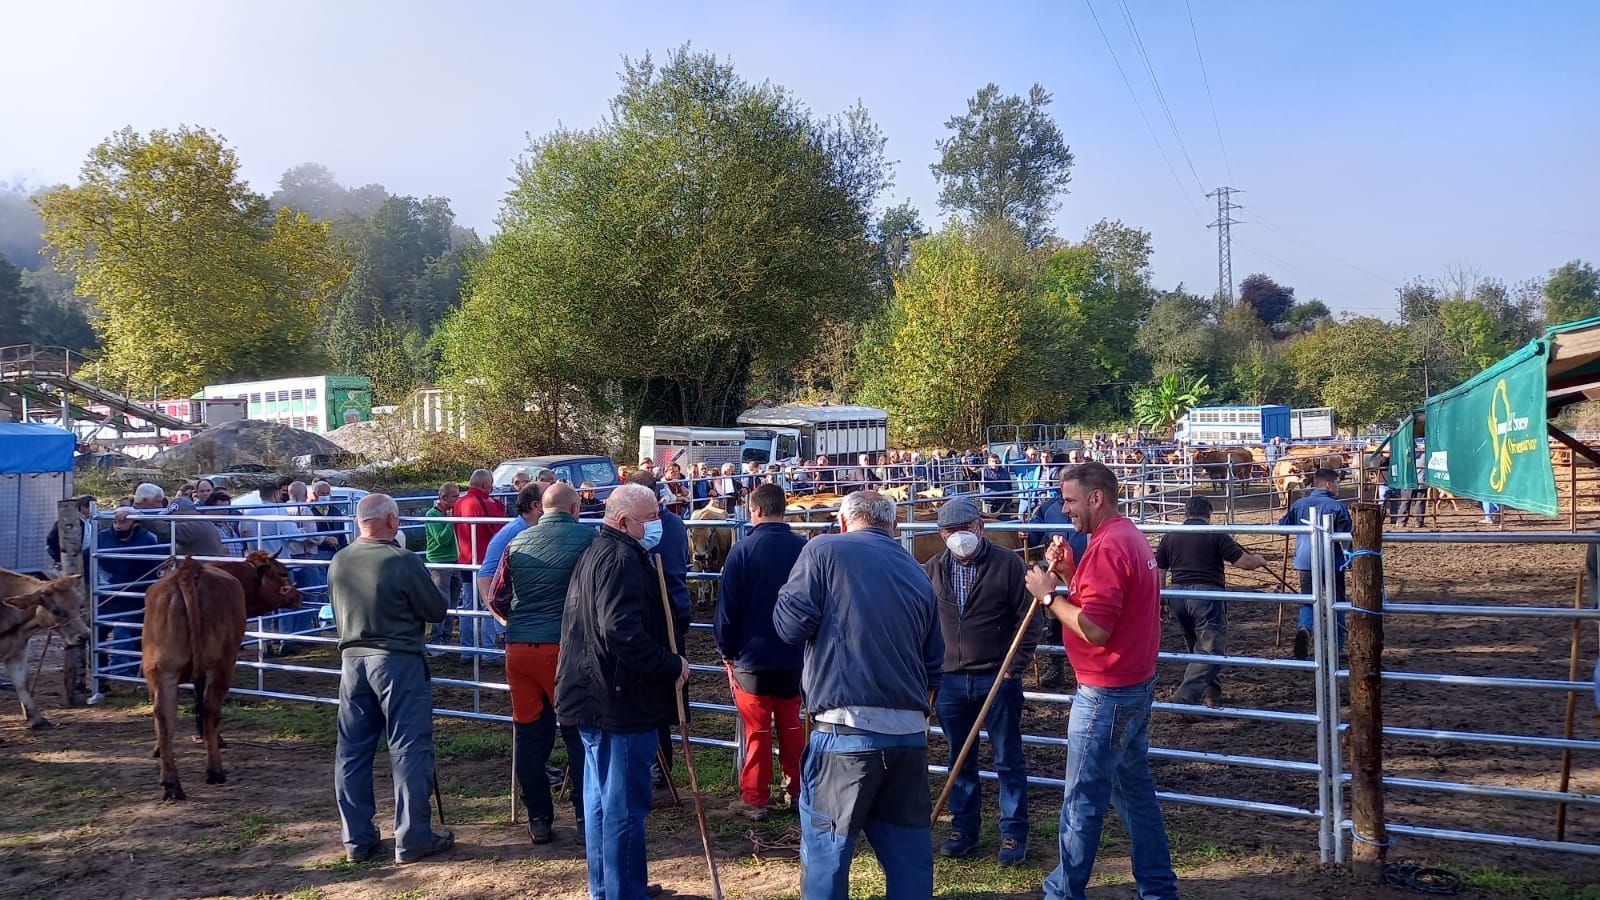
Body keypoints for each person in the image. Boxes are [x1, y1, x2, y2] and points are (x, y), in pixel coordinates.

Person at [773, 490, 943, 900]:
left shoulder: (823, 549)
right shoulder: (918, 571)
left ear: (844, 522)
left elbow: (790, 626)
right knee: (909, 857)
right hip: (907, 737)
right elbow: (935, 664)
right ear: (895, 526)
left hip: (845, 734)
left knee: (828, 858)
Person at [1024, 462, 1178, 900]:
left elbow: (1095, 629)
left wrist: (1048, 595)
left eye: (1070, 500)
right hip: (1133, 683)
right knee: (1133, 793)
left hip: (1106, 690)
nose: (1064, 509)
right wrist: (1072, 573)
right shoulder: (1123, 537)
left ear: (1096, 498)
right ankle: (1157, 886)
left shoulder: (1109, 547)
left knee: (1082, 800)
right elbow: (1104, 602)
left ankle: (1063, 891)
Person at [555, 483, 688, 900]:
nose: (657, 524)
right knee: (624, 806)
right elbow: (621, 631)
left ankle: (610, 885)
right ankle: (623, 891)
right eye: (650, 517)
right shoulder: (621, 560)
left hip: (593, 693)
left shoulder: (599, 553)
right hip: (618, 698)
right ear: (623, 520)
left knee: (601, 803)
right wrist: (670, 665)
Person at [329, 493, 453, 865]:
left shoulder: (339, 560)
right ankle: (413, 838)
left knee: (351, 750)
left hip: (352, 663)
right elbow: (436, 608)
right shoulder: (401, 560)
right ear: (392, 522)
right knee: (408, 747)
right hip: (397, 662)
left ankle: (357, 840)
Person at [926, 496, 1037, 865]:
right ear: (941, 534)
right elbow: (923, 623)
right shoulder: (932, 570)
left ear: (980, 527)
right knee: (959, 757)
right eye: (950, 531)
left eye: (965, 529)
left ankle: (1013, 832)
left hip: (997, 676)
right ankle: (964, 828)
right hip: (951, 680)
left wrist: (1014, 665)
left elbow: (1030, 618)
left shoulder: (1007, 565)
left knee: (1007, 757)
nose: (959, 536)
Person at [497, 483, 594, 844]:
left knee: (528, 733)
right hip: (563, 649)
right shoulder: (588, 540)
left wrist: (521, 621)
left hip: (519, 648)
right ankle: (585, 817)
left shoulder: (517, 542)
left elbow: (498, 596)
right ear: (574, 508)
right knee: (576, 732)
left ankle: (538, 818)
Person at [714, 483, 806, 821]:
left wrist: (726, 649)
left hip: (750, 659)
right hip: (793, 656)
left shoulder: (742, 551)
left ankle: (755, 798)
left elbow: (727, 610)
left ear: (754, 511)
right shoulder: (804, 549)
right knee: (793, 728)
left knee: (757, 731)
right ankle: (798, 791)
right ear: (785, 508)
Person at [1155, 495, 1267, 707]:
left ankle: (1211, 694)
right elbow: (1244, 563)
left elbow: (1159, 571)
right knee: (1211, 649)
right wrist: (1258, 560)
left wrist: (1162, 600)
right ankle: (1186, 696)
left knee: (1197, 647)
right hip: (1206, 596)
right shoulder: (1215, 534)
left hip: (1178, 596)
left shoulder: (1169, 537)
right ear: (1209, 514)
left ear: (1187, 513)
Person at [627, 470, 692, 789]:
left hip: (661, 611)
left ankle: (657, 764)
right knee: (664, 684)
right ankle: (660, 764)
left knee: (655, 683)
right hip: (675, 609)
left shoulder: (650, 528)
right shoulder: (676, 523)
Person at [1279, 468, 1351, 660]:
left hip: (1305, 561)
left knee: (1309, 598)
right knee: (1337, 601)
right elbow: (1348, 538)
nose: (1339, 487)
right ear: (1328, 484)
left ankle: (1305, 628)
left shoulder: (1299, 504)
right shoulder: (1338, 507)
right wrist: (1350, 558)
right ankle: (1337, 645)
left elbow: (1282, 528)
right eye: (1337, 483)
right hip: (1332, 561)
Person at [472, 483, 544, 659]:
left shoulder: (534, 530)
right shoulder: (512, 533)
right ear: (536, 506)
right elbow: (485, 575)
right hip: (519, 623)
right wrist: (499, 616)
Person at [94, 507, 164, 680]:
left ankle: (127, 672)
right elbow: (90, 560)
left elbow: (155, 565)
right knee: (96, 634)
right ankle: (100, 673)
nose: (118, 524)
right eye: (116, 520)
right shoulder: (102, 538)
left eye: (124, 520)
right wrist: (103, 581)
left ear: (135, 522)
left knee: (127, 633)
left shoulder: (147, 539)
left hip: (134, 596)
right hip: (106, 596)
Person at [454, 469, 508, 652]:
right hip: (485, 561)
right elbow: (498, 528)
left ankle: (466, 648)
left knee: (468, 605)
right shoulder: (484, 502)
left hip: (465, 559)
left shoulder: (459, 502)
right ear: (486, 485)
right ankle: (489, 651)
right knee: (488, 605)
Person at [424, 483, 462, 652]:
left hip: (455, 560)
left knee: (453, 600)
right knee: (441, 601)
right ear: (444, 497)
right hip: (439, 563)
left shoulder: (450, 514)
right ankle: (436, 638)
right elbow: (441, 539)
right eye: (455, 496)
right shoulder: (432, 515)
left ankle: (446, 635)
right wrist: (451, 521)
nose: (458, 499)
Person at [45, 495, 93, 575]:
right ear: (83, 507)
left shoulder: (89, 522)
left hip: (85, 561)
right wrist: (59, 559)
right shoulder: (69, 522)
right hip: (70, 562)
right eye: (90, 508)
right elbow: (51, 541)